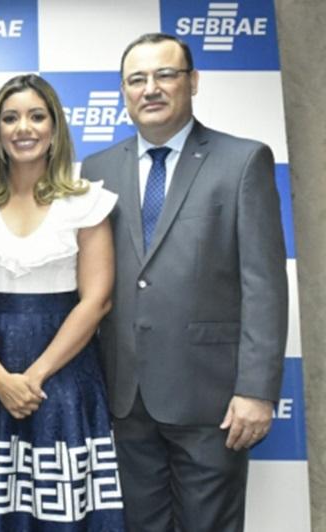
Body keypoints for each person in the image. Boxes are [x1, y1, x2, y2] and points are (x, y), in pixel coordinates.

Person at [80, 33, 288, 531]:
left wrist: (256, 391)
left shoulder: (243, 161)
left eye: (165, 75)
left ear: (192, 81)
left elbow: (264, 284)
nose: (150, 88)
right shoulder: (97, 170)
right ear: (124, 92)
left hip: (212, 401)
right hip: (125, 398)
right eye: (137, 79)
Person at [0, 74, 125, 530]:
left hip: (64, 372)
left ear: (55, 127)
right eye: (10, 118)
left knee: (64, 514)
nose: (24, 128)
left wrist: (33, 378)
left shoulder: (86, 202)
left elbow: (96, 301)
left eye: (37, 116)